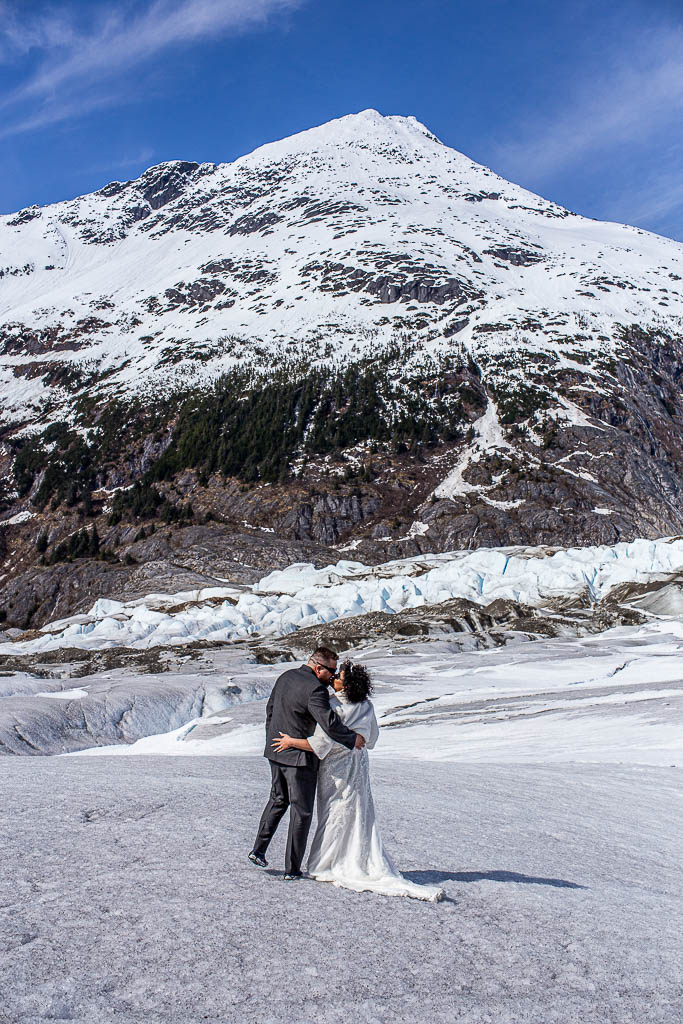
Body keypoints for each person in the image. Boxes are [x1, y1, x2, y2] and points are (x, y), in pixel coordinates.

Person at [272, 661, 444, 902]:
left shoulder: (333, 706)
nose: (333, 678)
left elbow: (320, 744)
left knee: (335, 812)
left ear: (346, 683)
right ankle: (358, 857)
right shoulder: (366, 705)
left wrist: (291, 742)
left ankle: (327, 863)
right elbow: (371, 739)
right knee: (358, 811)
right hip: (359, 765)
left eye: (338, 676)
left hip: (336, 768)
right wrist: (357, 738)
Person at [249, 646, 365, 880]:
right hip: (299, 758)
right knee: (301, 813)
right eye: (331, 671)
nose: (333, 676)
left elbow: (270, 709)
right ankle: (292, 869)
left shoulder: (286, 676)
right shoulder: (315, 690)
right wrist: (353, 739)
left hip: (276, 751)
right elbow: (330, 723)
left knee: (278, 800)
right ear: (317, 667)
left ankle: (258, 850)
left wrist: (271, 740)